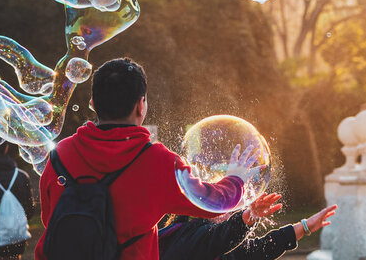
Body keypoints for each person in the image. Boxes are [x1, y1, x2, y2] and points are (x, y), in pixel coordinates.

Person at [35, 58, 260, 260]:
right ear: (140, 105)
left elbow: (49, 218)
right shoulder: (158, 161)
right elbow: (213, 205)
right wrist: (235, 178)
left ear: (93, 103)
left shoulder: (60, 153)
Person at [158, 192, 337, 260]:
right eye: (226, 207)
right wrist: (248, 217)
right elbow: (224, 234)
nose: (229, 213)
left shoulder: (223, 246)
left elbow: (263, 248)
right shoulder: (188, 236)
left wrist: (307, 226)